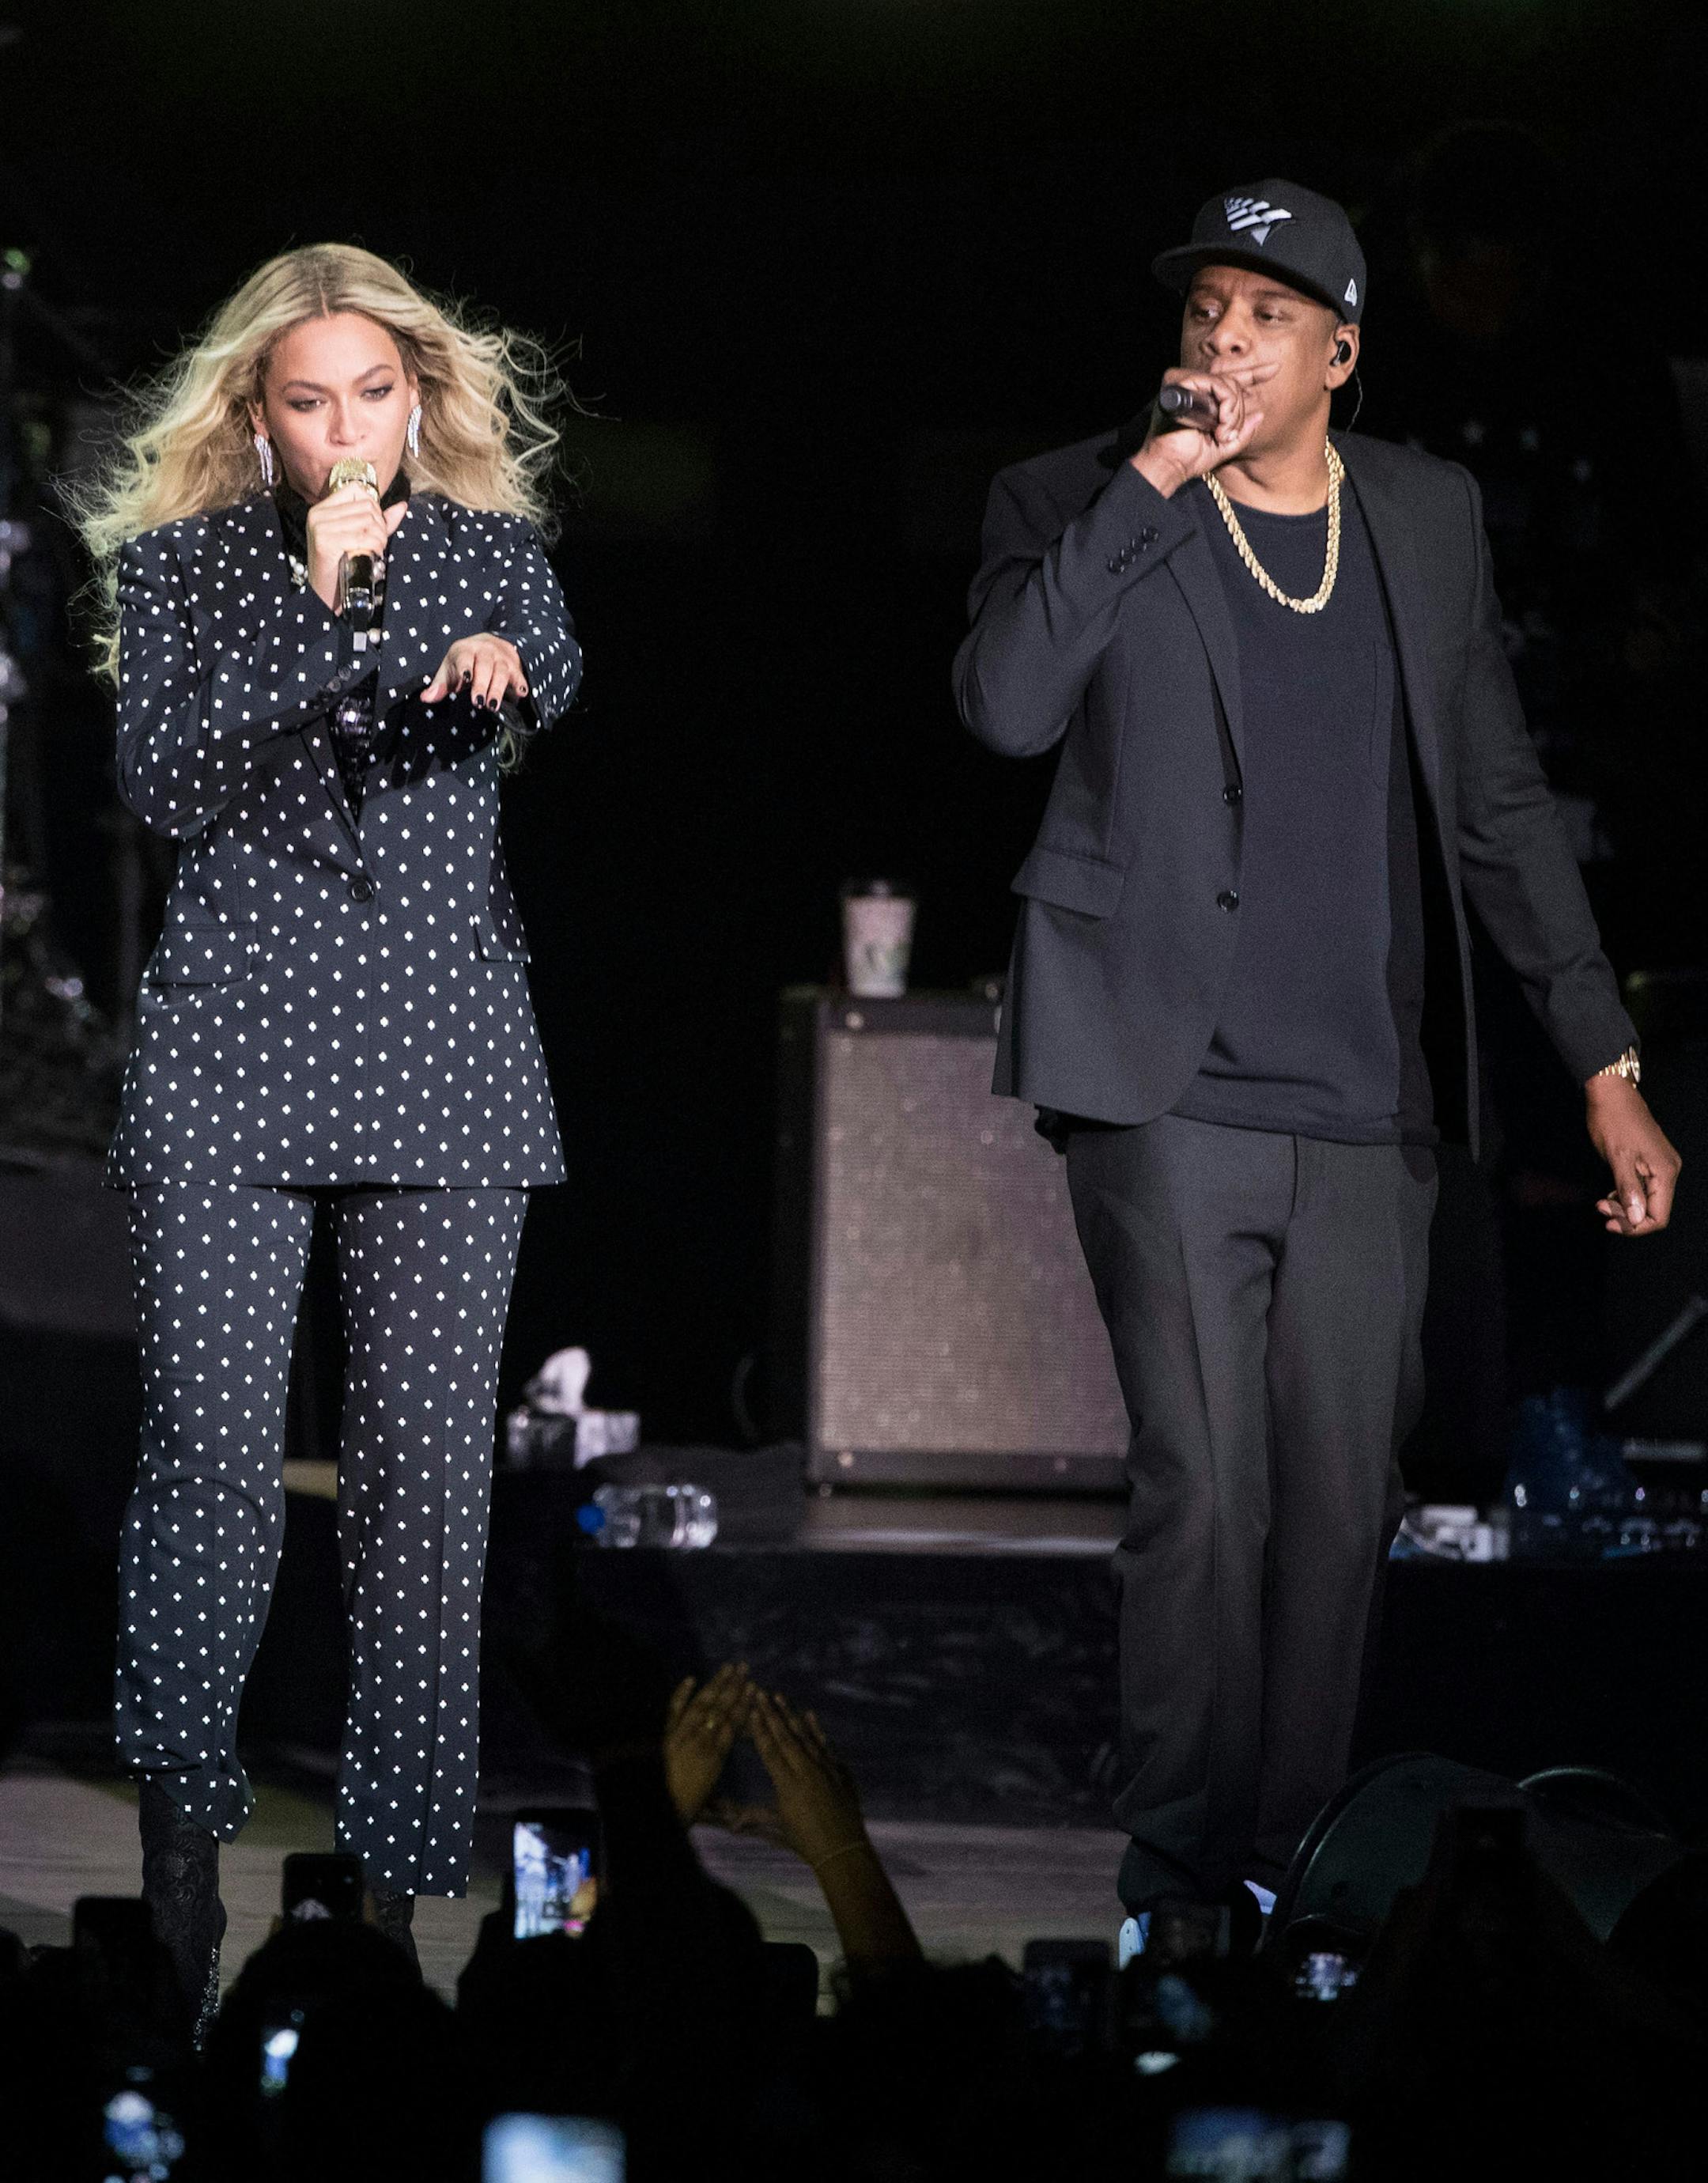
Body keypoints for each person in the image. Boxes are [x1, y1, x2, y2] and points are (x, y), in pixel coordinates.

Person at [953, 181, 1680, 1933]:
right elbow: (1003, 705)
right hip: (1165, 1084)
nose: (1224, 339)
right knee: (1206, 1489)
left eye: (1266, 315)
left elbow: (1501, 807)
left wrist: (1603, 1061)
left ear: (1341, 350)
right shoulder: (1076, 500)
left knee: (1344, 1501)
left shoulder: (1425, 520)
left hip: (1365, 1100)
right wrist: (1154, 482)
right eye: (1205, 307)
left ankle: (1296, 1863)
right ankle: (1177, 1875)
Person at [74, 243, 581, 2037]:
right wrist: (319, 603)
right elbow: (172, 777)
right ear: (259, 418)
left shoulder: (492, 557)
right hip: (233, 1053)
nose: (350, 430)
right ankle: (181, 1895)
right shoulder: (190, 570)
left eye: (378, 394)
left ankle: (384, 1922)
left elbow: (538, 686)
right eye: (311, 401)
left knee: (426, 1495)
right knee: (211, 1480)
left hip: (442, 1056)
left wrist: (483, 658)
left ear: (422, 398)